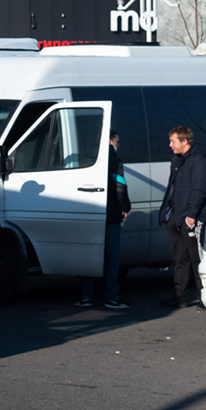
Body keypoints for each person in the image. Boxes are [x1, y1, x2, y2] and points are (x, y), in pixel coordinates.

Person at [76, 129, 132, 309]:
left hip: (91, 215)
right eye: (116, 141)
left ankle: (86, 296)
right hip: (111, 216)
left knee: (88, 257)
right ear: (109, 141)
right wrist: (125, 207)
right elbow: (120, 187)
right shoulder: (114, 161)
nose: (118, 144)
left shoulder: (87, 158)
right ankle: (112, 298)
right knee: (111, 259)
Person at [158, 125, 206, 310]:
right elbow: (172, 189)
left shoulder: (199, 160)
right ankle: (180, 297)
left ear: (184, 141)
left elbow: (200, 190)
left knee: (197, 260)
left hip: (190, 219)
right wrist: (167, 214)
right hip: (176, 218)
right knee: (179, 259)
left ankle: (205, 297)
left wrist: (191, 215)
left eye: (173, 141)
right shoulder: (177, 160)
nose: (170, 145)